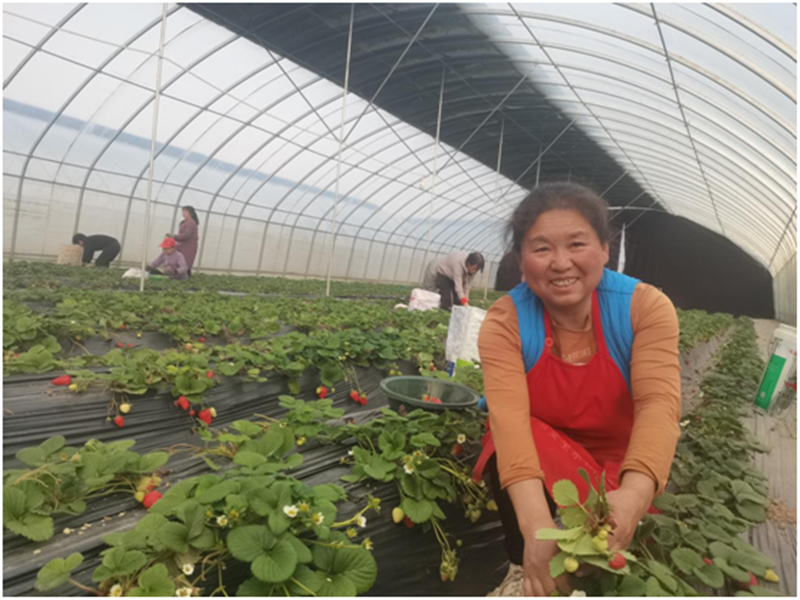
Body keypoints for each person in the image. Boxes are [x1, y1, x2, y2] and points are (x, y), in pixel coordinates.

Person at [473, 183, 680, 596]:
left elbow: (659, 405)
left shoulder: (645, 307)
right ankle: (521, 565)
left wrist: (634, 495)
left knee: (612, 558)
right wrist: (537, 534)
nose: (561, 262)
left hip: (623, 471)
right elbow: (511, 424)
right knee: (503, 436)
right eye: (542, 248)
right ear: (521, 260)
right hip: (547, 462)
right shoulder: (505, 322)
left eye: (577, 244)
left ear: (605, 249)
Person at [168, 206, 199, 275]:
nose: (183, 213)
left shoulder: (191, 223)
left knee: (186, 262)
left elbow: (186, 235)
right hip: (183, 245)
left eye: (185, 211)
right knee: (180, 261)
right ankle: (179, 275)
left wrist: (174, 237)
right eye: (183, 211)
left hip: (189, 246)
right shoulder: (185, 222)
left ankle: (186, 276)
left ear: (190, 213)